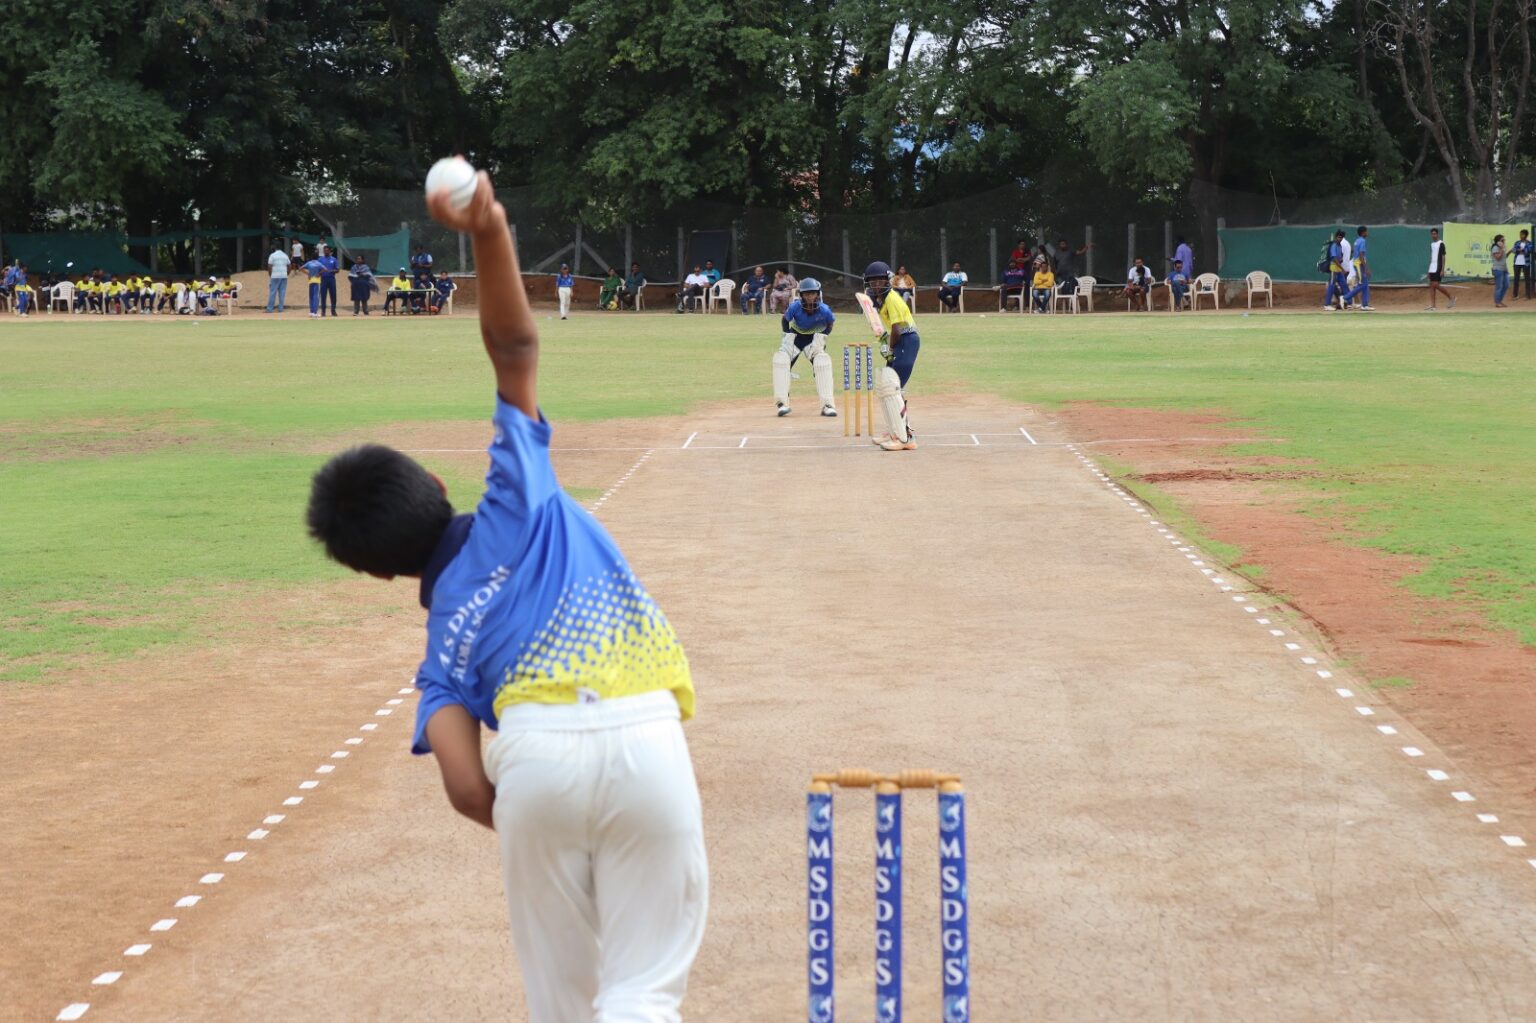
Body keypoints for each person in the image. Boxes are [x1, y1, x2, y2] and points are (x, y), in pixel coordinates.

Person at [305, 167, 707, 1023]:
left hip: (528, 755)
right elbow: (514, 349)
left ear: (378, 572)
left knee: (563, 1005)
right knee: (643, 990)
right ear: (435, 483)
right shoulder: (514, 497)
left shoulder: (439, 660)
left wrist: (542, 823)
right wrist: (486, 228)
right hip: (644, 729)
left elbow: (461, 784)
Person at [860, 261, 921, 451]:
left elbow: (897, 329)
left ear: (887, 280)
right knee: (889, 388)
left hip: (906, 340)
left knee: (894, 389)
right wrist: (886, 343)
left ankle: (905, 439)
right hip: (901, 340)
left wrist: (890, 348)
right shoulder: (884, 300)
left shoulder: (893, 299)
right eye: (873, 281)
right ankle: (896, 430)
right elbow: (891, 331)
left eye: (880, 280)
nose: (876, 284)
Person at [771, 277, 838, 418]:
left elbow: (830, 324)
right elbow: (785, 320)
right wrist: (787, 335)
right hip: (796, 337)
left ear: (817, 294)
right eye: (806, 294)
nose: (809, 297)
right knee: (782, 361)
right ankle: (782, 404)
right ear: (801, 295)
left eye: (812, 293)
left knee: (822, 363)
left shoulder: (825, 310)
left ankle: (827, 406)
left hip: (814, 338)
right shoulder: (795, 306)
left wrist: (822, 337)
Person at [1343, 225, 1374, 311]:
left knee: (1365, 284)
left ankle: (1365, 305)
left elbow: (1353, 251)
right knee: (1362, 284)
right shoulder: (1363, 241)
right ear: (1363, 233)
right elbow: (1361, 256)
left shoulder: (1357, 240)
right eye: (1366, 231)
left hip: (1357, 263)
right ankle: (1345, 297)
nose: (1367, 233)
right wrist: (1366, 268)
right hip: (1358, 264)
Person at [1426, 227, 1454, 310]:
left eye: (1435, 233)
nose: (1433, 235)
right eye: (1432, 234)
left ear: (1437, 234)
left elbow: (1443, 257)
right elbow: (1431, 257)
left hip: (1438, 267)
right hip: (1432, 267)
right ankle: (1433, 306)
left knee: (1435, 284)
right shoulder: (1431, 244)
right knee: (1431, 286)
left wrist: (1442, 269)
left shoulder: (1441, 244)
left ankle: (1451, 297)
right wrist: (1428, 270)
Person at [1322, 230, 1347, 311]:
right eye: (1339, 237)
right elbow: (1334, 258)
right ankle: (1327, 305)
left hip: (1339, 269)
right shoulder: (1333, 245)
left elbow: (1340, 257)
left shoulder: (1340, 246)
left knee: (1344, 285)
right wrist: (1342, 268)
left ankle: (1347, 302)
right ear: (1336, 236)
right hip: (1334, 268)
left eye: (1341, 238)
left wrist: (1341, 259)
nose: (1340, 239)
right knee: (1331, 286)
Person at [266, 244, 291, 313]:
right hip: (284, 276)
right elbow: (289, 266)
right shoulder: (285, 255)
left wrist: (270, 275)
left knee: (273, 292)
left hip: (275, 276)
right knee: (282, 293)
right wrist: (287, 274)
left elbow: (269, 266)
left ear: (275, 248)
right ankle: (280, 309)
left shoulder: (272, 255)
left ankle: (270, 309)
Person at [317, 247, 340, 317]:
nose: (326, 252)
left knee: (333, 295)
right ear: (323, 252)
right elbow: (317, 269)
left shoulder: (334, 259)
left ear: (330, 251)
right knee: (323, 295)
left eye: (327, 250)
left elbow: (337, 270)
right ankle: (323, 311)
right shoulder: (320, 259)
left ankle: (333, 310)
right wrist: (320, 273)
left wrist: (333, 271)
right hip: (323, 279)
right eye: (325, 251)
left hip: (331, 279)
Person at [1512, 229, 1533, 300]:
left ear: (1526, 235)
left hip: (1525, 263)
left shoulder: (1529, 243)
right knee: (1516, 279)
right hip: (1517, 263)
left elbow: (1528, 251)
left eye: (1522, 234)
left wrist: (1520, 250)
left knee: (1527, 279)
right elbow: (1514, 250)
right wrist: (1521, 250)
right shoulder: (1517, 242)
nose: (1520, 236)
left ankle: (1528, 296)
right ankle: (1515, 295)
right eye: (1520, 234)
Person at [1490, 234, 1509, 308]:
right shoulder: (1495, 248)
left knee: (1506, 285)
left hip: (1504, 269)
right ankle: (1497, 302)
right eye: (1502, 240)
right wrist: (1501, 249)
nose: (1504, 241)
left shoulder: (1503, 247)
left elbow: (1504, 257)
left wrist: (1510, 251)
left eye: (1504, 240)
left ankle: (1499, 301)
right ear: (1498, 242)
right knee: (1499, 286)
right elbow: (1498, 257)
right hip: (1498, 269)